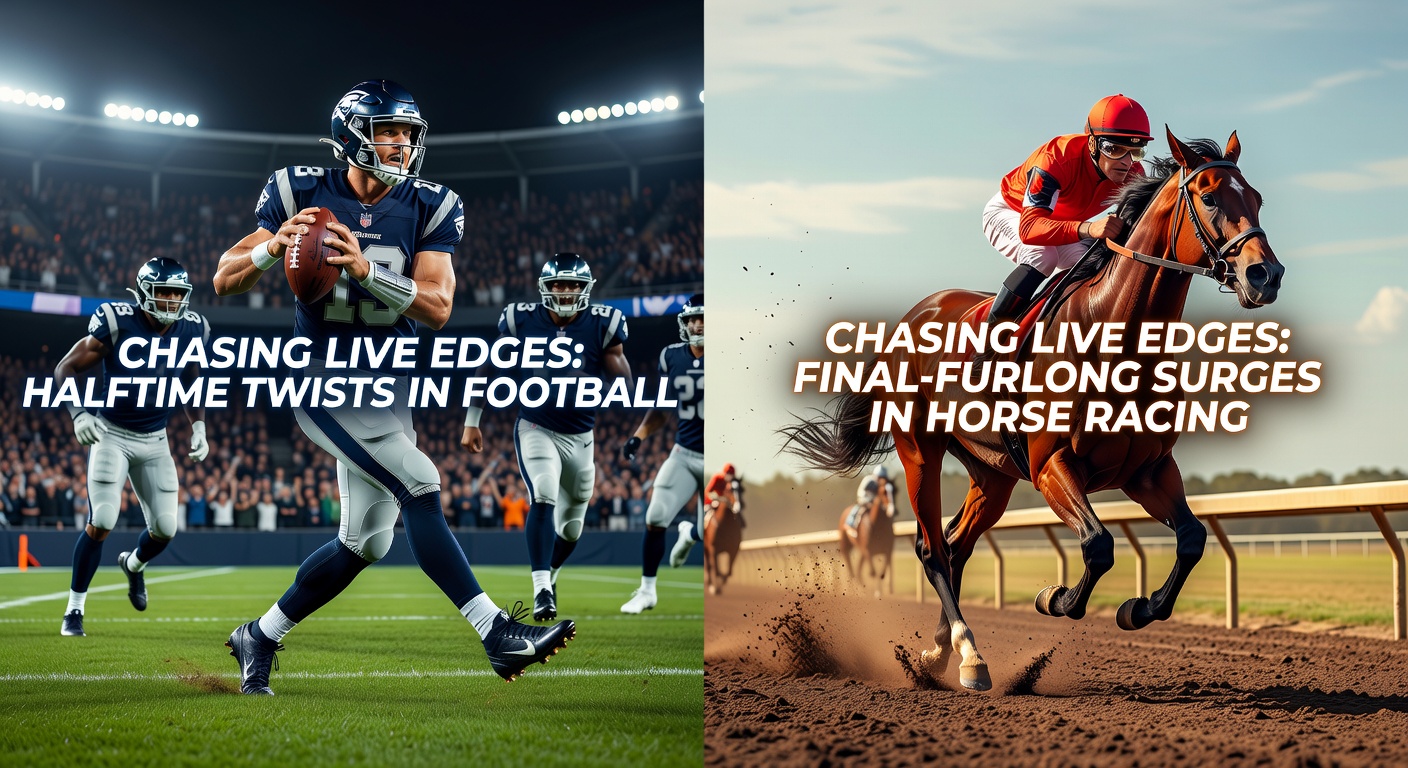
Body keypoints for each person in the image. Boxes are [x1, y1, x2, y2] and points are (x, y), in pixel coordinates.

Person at [213, 80, 574, 693]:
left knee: (364, 543)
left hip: (385, 386)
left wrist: (365, 270)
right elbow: (224, 279)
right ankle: (496, 634)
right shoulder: (298, 190)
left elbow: (437, 307)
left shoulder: (431, 204)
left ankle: (261, 634)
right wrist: (274, 248)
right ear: (355, 133)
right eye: (388, 130)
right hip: (319, 377)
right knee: (421, 482)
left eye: (408, 132)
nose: (403, 144)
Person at [462, 253, 631, 622]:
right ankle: (541, 590)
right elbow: (487, 366)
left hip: (583, 437)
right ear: (544, 288)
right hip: (536, 427)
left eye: (572, 285)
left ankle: (551, 576)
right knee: (543, 491)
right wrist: (473, 419)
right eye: (558, 285)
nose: (566, 292)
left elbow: (623, 378)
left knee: (571, 528)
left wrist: (629, 397)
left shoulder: (604, 324)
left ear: (585, 289)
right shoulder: (521, 319)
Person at [55, 256, 210, 637]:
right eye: (164, 292)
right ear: (143, 293)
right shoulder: (118, 321)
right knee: (102, 520)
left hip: (156, 439)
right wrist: (79, 414)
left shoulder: (193, 329)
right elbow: (65, 368)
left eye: (178, 293)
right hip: (112, 433)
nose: (172, 301)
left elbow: (191, 380)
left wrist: (199, 427)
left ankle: (134, 565)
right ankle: (74, 609)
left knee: (165, 528)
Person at [970, 94, 1153, 381]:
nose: (1126, 162)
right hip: (1012, 213)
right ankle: (987, 351)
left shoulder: (1133, 174)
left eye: (1136, 151)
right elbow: (1029, 230)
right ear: (1092, 143)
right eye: (1114, 149)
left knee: (1092, 268)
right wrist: (1088, 229)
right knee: (1043, 255)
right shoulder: (1057, 158)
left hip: (1061, 223)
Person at [620, 294, 704, 613]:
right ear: (685, 323)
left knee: (710, 529)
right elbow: (662, 408)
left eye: (704, 318)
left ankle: (691, 532)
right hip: (684, 452)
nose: (698, 324)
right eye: (693, 318)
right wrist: (638, 436)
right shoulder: (671, 356)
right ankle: (647, 591)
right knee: (655, 517)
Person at [845, 465, 895, 535]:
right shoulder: (868, 480)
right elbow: (861, 491)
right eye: (879, 477)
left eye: (882, 478)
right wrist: (867, 500)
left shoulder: (881, 484)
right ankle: (850, 523)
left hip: (874, 501)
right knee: (858, 508)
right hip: (864, 499)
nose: (881, 479)